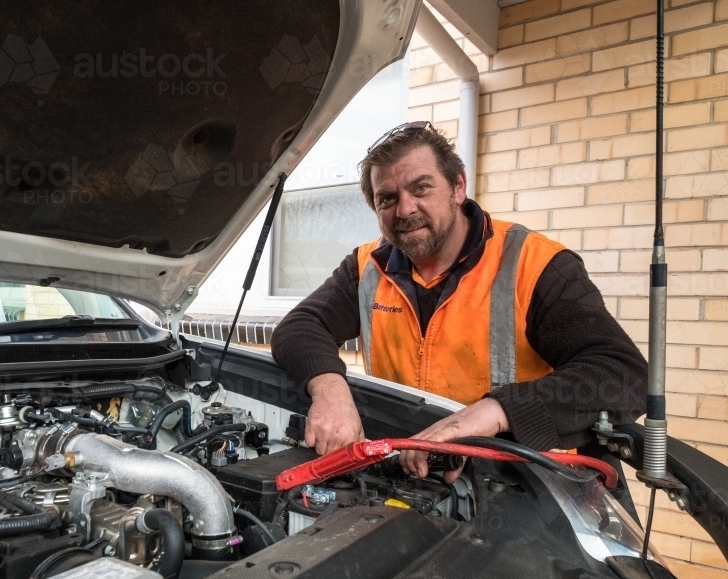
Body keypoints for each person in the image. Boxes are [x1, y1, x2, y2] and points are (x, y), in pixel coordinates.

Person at [270, 122, 647, 482]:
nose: (405, 209)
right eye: (387, 198)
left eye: (421, 188)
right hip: (414, 475)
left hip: (531, 486)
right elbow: (300, 327)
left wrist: (492, 414)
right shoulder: (367, 268)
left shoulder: (534, 263)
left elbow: (622, 375)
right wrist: (331, 390)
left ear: (458, 186)